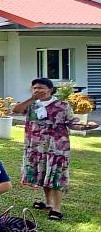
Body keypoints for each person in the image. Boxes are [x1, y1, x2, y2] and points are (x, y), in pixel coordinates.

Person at [13, 77, 96, 221]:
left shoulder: (62, 105)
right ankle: (47, 202)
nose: (38, 90)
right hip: (36, 148)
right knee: (44, 174)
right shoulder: (32, 105)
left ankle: (57, 208)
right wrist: (31, 99)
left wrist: (85, 126)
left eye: (41, 88)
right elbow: (15, 110)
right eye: (35, 88)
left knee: (57, 175)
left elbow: (72, 123)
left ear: (50, 90)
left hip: (57, 147)